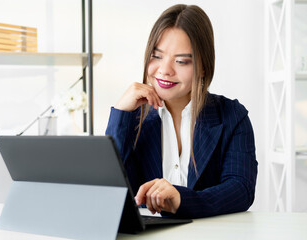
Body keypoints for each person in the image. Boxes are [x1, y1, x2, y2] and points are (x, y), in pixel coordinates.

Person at [106, 4, 258, 218]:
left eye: (181, 61)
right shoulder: (131, 119)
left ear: (203, 66)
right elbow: (109, 192)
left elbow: (241, 189)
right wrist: (120, 113)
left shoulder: (232, 115)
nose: (165, 70)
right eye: (156, 56)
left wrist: (181, 199)